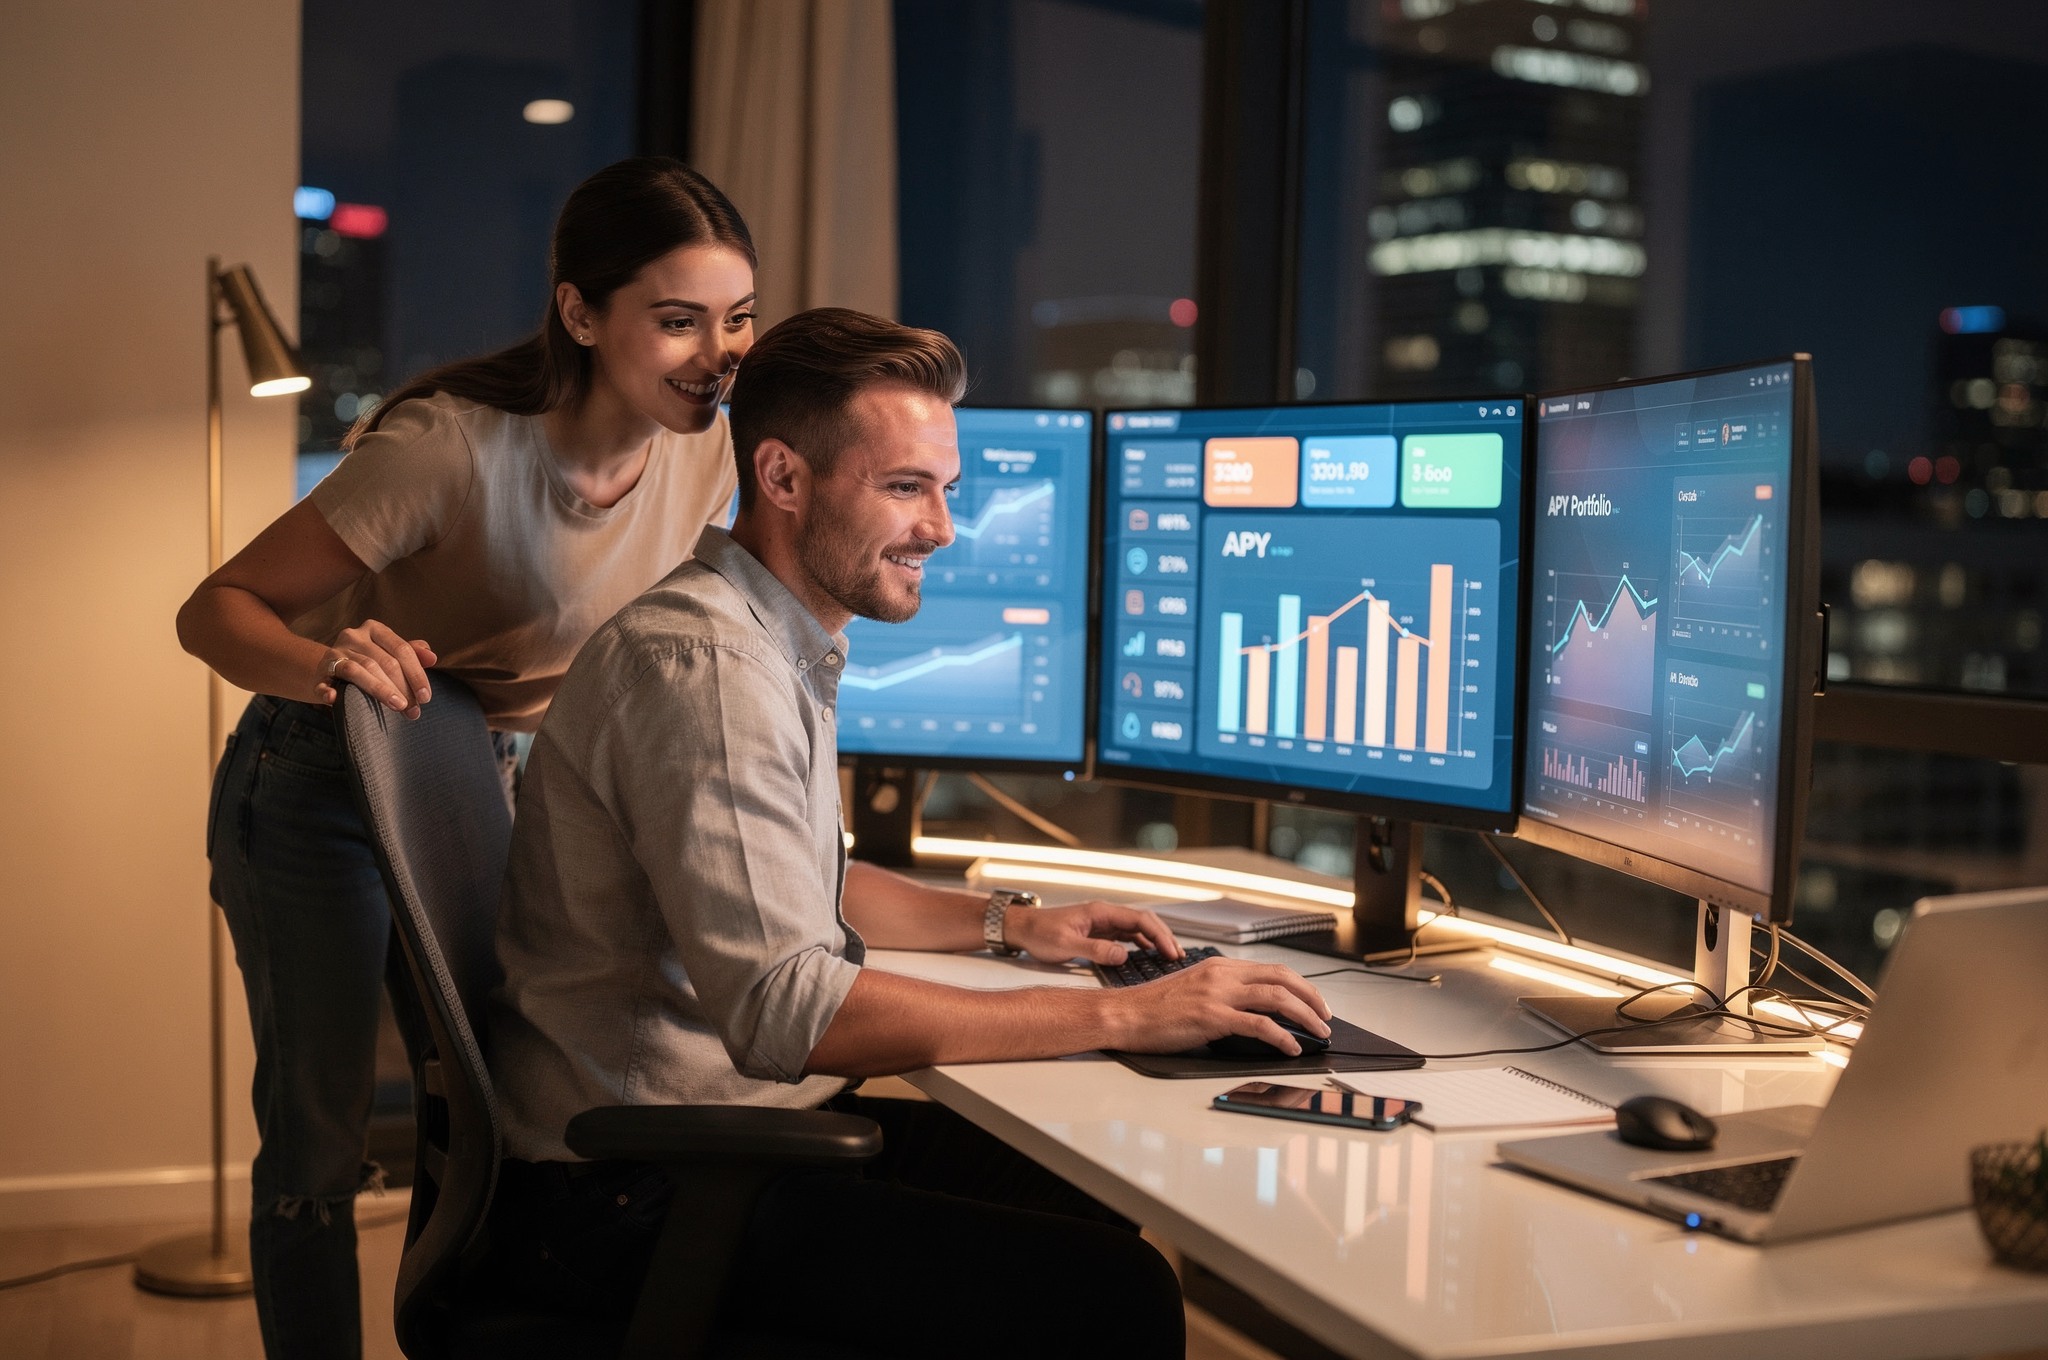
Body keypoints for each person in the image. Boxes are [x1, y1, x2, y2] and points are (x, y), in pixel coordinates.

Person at [487, 307, 1333, 1357]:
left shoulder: (758, 636)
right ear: (784, 478)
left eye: (945, 489)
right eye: (903, 487)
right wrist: (1129, 1017)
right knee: (1113, 1295)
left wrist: (1013, 925)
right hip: (621, 1194)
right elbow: (785, 1011)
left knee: (1075, 1174)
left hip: (703, 1144)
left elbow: (805, 884)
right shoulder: (707, 672)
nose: (939, 527)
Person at [175, 156, 758, 1360]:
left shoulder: (706, 446)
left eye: (738, 318)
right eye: (679, 320)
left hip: (490, 778)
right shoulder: (449, 449)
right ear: (580, 312)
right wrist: (325, 663)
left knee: (486, 1108)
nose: (719, 353)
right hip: (318, 781)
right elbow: (215, 608)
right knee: (321, 1139)